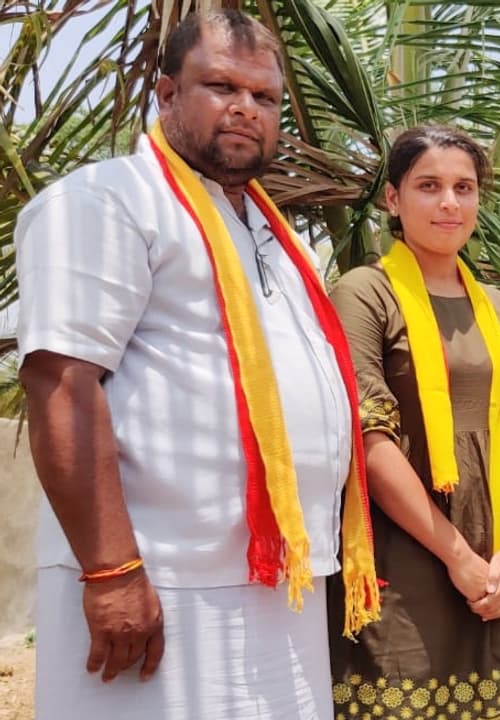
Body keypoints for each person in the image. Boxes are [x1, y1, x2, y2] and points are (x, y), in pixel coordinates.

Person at [15, 9, 379, 719]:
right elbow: (61, 382)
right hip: (159, 584)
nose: (245, 108)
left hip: (278, 583)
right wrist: (112, 570)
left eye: (264, 96)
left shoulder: (277, 237)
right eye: (220, 86)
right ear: (166, 94)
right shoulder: (107, 200)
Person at [327, 125, 500, 720]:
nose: (449, 202)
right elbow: (369, 439)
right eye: (429, 186)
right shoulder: (365, 294)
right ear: (392, 199)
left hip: (496, 560)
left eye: (463, 188)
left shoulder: (499, 309)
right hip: (406, 555)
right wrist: (457, 557)